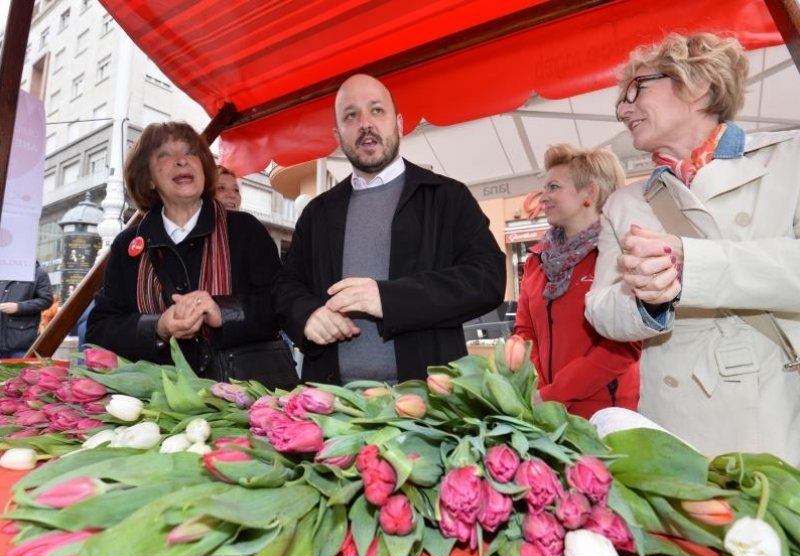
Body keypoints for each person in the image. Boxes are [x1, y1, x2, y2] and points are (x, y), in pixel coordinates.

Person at [585, 33, 800, 463]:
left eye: (636, 89)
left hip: (778, 408)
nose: (622, 109)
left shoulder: (789, 159)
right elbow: (601, 309)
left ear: (697, 85)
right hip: (674, 423)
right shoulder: (624, 202)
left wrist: (691, 265)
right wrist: (648, 300)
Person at [275, 74, 506, 384]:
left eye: (377, 110)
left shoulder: (446, 197)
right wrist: (307, 316)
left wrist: (388, 299)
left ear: (398, 123)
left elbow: (488, 278)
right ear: (338, 134)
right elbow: (285, 287)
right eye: (351, 115)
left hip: (426, 407)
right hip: (333, 407)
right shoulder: (317, 213)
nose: (365, 123)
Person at [87, 122, 290, 385]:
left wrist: (222, 312)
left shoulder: (245, 231)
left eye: (190, 152)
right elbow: (100, 330)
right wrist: (158, 326)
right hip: (158, 405)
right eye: (164, 154)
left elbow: (281, 307)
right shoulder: (129, 245)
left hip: (240, 404)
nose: (182, 161)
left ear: (204, 168)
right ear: (148, 177)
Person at [513, 144, 640, 419]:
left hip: (603, 415)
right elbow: (524, 330)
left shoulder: (619, 255)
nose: (542, 198)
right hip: (542, 408)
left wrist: (553, 394)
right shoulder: (538, 260)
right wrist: (532, 383)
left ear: (589, 193)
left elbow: (621, 347)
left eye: (553, 187)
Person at [0, 263, 54, 358]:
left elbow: (46, 300)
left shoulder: (38, 273)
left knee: (19, 372)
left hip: (20, 341)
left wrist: (19, 307)